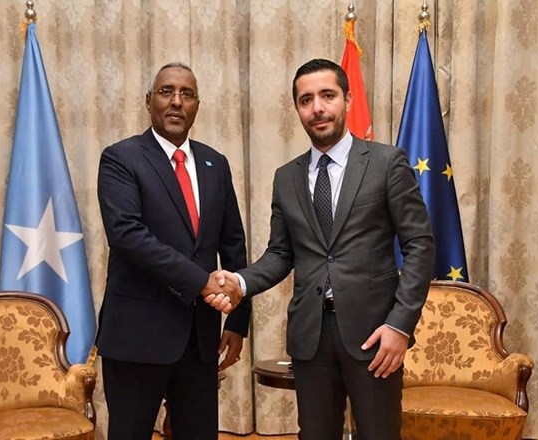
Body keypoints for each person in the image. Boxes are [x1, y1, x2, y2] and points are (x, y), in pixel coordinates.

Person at [215, 59, 435, 440]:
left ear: (347, 100)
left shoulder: (386, 163)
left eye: (327, 96)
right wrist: (239, 282)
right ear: (297, 108)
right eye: (306, 100)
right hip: (311, 338)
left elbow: (420, 244)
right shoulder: (286, 177)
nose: (317, 107)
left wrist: (400, 325)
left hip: (374, 335)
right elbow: (280, 255)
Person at [96, 62, 250, 440]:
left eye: (187, 94)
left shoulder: (216, 164)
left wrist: (237, 321)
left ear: (197, 105)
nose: (177, 101)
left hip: (200, 340)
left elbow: (233, 243)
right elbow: (128, 236)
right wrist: (202, 282)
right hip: (136, 337)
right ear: (149, 101)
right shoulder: (121, 158)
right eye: (167, 92)